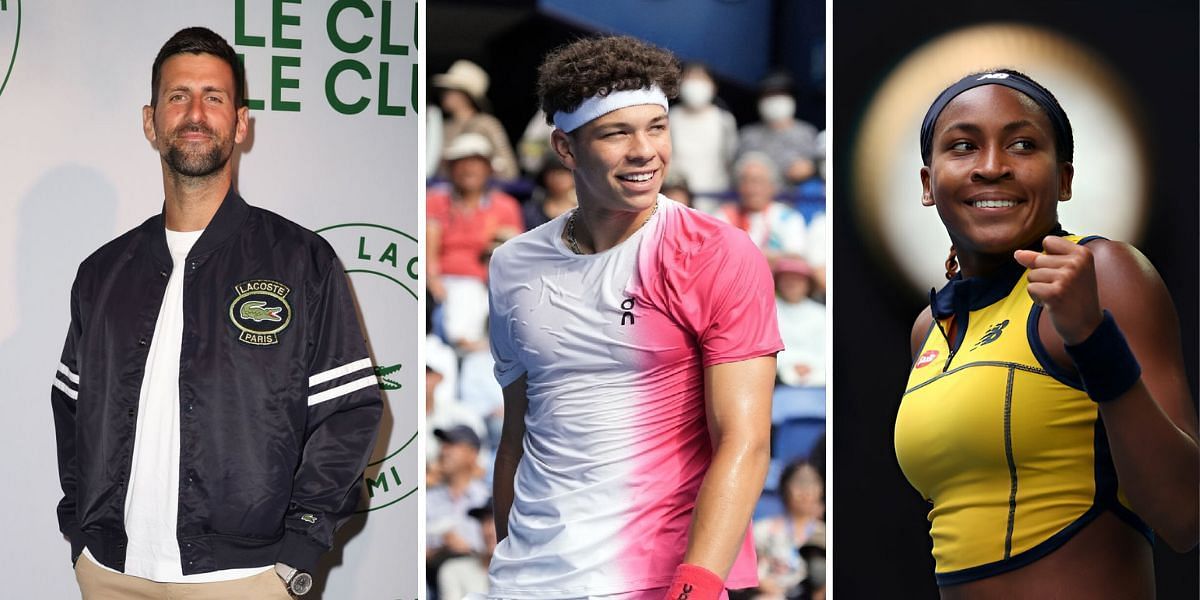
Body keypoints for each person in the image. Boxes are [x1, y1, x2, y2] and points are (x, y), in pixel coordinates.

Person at [49, 27, 382, 598]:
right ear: (150, 121)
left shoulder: (302, 261)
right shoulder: (101, 274)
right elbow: (69, 410)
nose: (196, 112)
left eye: (214, 97)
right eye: (178, 96)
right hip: (109, 574)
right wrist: (81, 535)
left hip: (246, 580)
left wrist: (295, 552)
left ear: (241, 122)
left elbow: (349, 414)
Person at [487, 35, 781, 599]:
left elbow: (745, 442)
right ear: (565, 148)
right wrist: (509, 561)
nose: (645, 150)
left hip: (660, 582)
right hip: (525, 579)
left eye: (657, 126)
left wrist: (692, 590)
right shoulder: (511, 265)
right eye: (617, 132)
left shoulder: (718, 253)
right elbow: (516, 438)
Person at [895, 69, 1198, 597]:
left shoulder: (1104, 271)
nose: (991, 167)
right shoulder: (930, 328)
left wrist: (1091, 337)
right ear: (928, 183)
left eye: (1022, 145)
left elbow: (1185, 515)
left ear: (1064, 179)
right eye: (964, 146)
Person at [427, 133, 524, 352]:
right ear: (451, 168)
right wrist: (432, 280)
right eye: (461, 163)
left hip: (484, 286)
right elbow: (428, 246)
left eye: (476, 163)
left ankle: (470, 344)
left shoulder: (505, 206)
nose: (468, 169)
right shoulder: (434, 200)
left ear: (488, 169)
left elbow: (510, 258)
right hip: (441, 284)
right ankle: (465, 342)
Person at [751, 459, 825, 600]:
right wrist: (760, 583)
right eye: (799, 482)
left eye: (812, 482)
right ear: (785, 487)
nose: (805, 490)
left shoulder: (827, 535)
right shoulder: (762, 530)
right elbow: (742, 572)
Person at [435, 59, 520, 181]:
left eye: (450, 90)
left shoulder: (487, 124)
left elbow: (509, 170)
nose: (444, 94)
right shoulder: (442, 127)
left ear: (465, 95)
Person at [715, 152, 808, 262]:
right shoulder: (724, 216)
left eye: (758, 181)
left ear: (772, 186)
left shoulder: (789, 218)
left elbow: (795, 258)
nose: (752, 189)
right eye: (745, 181)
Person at [668, 63, 739, 204]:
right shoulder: (671, 118)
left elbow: (731, 159)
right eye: (690, 78)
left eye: (701, 78)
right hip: (679, 196)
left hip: (717, 195)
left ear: (713, 86)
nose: (695, 84)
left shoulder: (723, 120)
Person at [736, 73, 819, 187]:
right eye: (769, 95)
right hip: (759, 201)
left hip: (797, 200)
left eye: (781, 94)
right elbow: (738, 173)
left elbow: (821, 168)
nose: (775, 100)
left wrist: (811, 168)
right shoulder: (748, 135)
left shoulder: (807, 133)